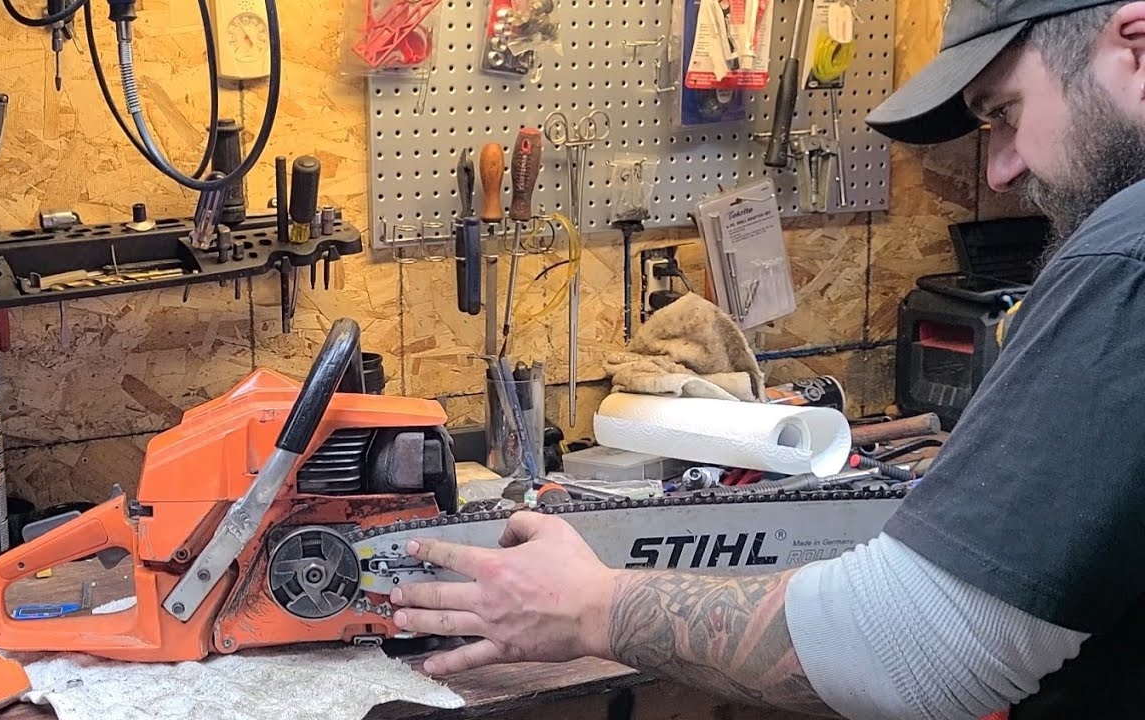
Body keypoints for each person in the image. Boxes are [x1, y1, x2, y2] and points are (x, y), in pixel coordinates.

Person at [387, 1, 1145, 718]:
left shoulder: (1124, 252)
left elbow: (919, 643)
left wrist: (592, 607)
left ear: (1135, 48)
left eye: (1006, 111)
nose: (1000, 169)